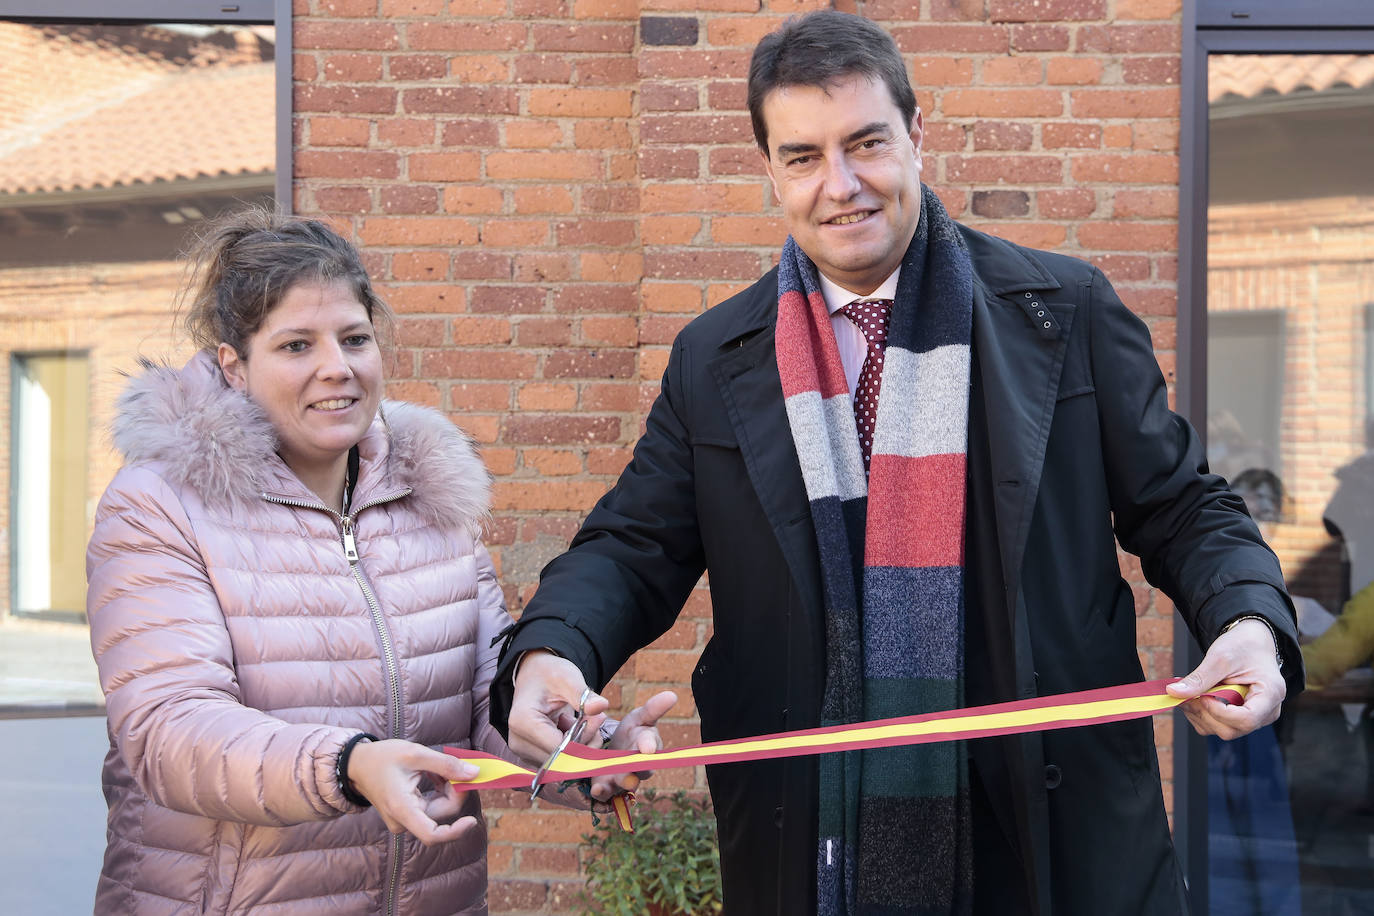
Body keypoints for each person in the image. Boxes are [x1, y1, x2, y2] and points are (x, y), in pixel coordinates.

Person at [490, 11, 1304, 916]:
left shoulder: (1063, 312)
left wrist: (1248, 620)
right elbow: (632, 545)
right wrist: (550, 653)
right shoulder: (716, 357)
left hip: (1053, 831)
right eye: (802, 157)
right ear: (769, 170)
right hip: (816, 835)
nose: (840, 185)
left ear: (917, 135)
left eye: (866, 143)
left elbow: (1183, 507)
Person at [86, 208, 671, 915]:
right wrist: (350, 766)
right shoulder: (160, 505)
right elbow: (169, 731)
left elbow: (485, 699)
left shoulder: (429, 493)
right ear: (233, 367)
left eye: (354, 338)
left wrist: (580, 751)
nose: (337, 367)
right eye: (297, 345)